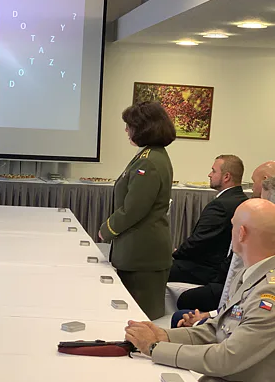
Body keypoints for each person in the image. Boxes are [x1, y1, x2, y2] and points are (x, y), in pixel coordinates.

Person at [125, 199, 275, 382]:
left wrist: (154, 348)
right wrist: (164, 335)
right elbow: (217, 329)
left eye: (233, 226)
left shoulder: (268, 292)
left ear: (241, 233)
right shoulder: (249, 274)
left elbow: (228, 358)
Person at [99, 101, 176, 320]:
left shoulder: (149, 161)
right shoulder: (150, 155)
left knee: (141, 319)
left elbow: (134, 209)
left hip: (143, 255)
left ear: (143, 128)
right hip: (140, 251)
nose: (126, 130)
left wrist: (107, 230)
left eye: (130, 125)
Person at [169, 156, 247, 307]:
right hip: (218, 267)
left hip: (206, 269)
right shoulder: (241, 200)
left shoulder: (221, 205)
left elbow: (199, 241)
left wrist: (175, 253)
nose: (209, 174)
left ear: (226, 176)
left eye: (213, 171)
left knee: (157, 269)